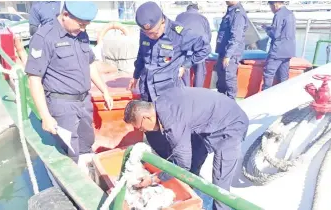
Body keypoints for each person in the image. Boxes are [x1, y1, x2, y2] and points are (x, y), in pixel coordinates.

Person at [123, 87, 249, 210]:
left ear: (146, 117)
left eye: (140, 127)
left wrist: (153, 178)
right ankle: (192, 197)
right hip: (209, 124)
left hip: (231, 125)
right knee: (194, 159)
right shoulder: (161, 103)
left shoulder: (172, 122)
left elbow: (182, 164)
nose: (142, 131)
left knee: (220, 184)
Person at [25, 1, 113, 165]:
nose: (83, 29)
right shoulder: (44, 37)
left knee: (86, 143)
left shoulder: (81, 34)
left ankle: (90, 176)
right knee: (70, 151)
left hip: (84, 101)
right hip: (62, 104)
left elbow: (90, 63)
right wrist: (45, 116)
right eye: (80, 24)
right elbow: (34, 79)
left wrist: (104, 90)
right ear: (65, 15)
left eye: (86, 25)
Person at [127, 1, 211, 102]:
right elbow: (141, 54)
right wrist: (135, 76)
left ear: (162, 21)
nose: (151, 36)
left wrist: (186, 65)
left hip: (167, 95)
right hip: (146, 91)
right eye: (148, 33)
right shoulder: (144, 32)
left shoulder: (179, 34)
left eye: (155, 33)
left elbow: (205, 48)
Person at [215, 1, 248, 99]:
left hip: (231, 53)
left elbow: (236, 37)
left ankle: (231, 102)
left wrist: (228, 55)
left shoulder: (238, 14)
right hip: (223, 51)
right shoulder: (230, 11)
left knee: (228, 78)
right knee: (221, 79)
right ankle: (221, 101)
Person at [261, 1, 296, 90]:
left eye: (271, 6)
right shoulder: (290, 13)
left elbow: (275, 34)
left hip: (278, 51)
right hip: (288, 50)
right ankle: (283, 96)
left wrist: (267, 30)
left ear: (275, 4)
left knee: (269, 74)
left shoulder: (278, 14)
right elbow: (284, 30)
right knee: (284, 77)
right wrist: (268, 27)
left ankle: (265, 96)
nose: (271, 9)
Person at [176, 3, 212, 87]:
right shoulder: (203, 18)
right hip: (199, 49)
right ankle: (197, 93)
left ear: (187, 9)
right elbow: (208, 36)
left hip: (184, 50)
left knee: (184, 71)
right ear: (197, 10)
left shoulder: (179, 16)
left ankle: (186, 93)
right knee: (200, 72)